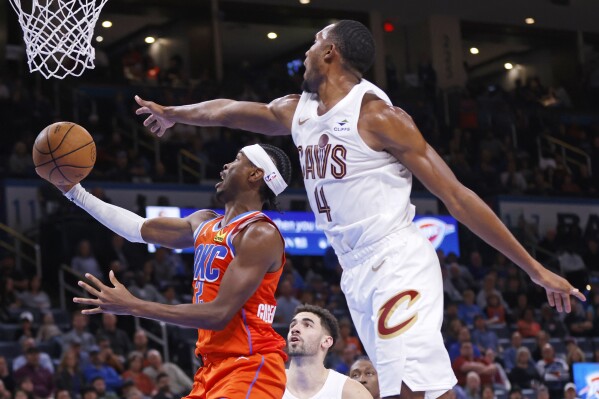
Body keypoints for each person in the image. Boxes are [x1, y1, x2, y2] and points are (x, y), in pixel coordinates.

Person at [134, 19, 585, 399]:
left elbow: (458, 197)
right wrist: (174, 112)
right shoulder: (300, 111)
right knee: (421, 388)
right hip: (354, 270)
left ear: (330, 52)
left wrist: (533, 269)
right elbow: (228, 111)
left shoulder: (377, 116)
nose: (306, 54)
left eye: (313, 45)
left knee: (405, 388)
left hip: (396, 259)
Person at [49, 144, 293, 398]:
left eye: (237, 159)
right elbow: (136, 229)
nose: (226, 165)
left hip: (251, 366)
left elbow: (218, 313)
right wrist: (75, 192)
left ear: (255, 174)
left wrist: (133, 305)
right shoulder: (204, 223)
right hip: (211, 369)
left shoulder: (259, 233)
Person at [283, 304, 371, 399]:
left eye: (307, 325)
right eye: (292, 325)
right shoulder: (269, 381)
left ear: (326, 341)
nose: (294, 329)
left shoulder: (351, 392)